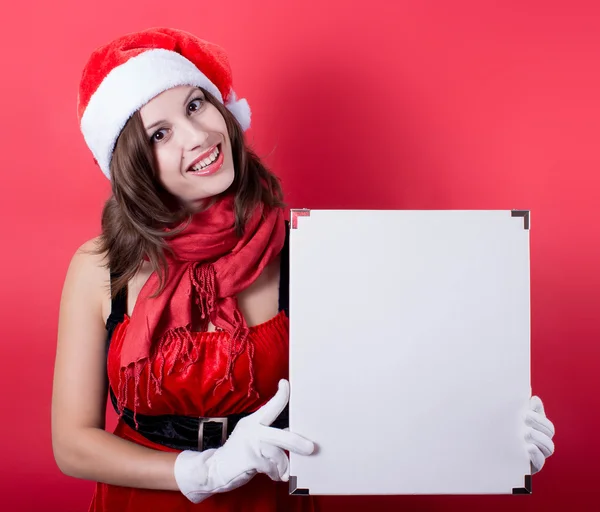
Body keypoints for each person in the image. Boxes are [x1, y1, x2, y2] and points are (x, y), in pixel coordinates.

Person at [51, 27, 555, 512]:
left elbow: (393, 385)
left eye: (196, 104)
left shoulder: (308, 251)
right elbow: (73, 443)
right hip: (144, 501)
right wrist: (199, 472)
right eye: (160, 133)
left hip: (268, 499)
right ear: (132, 165)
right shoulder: (99, 268)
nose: (198, 136)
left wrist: (493, 435)